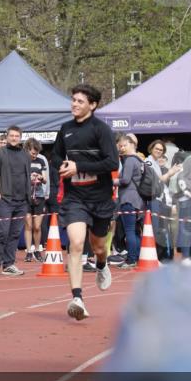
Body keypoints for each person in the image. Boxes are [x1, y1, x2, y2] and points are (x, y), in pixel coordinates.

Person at [53, 84, 119, 320]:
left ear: (92, 105)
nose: (74, 104)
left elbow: (112, 163)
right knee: (76, 243)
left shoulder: (101, 130)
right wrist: (62, 165)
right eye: (73, 100)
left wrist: (79, 167)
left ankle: (101, 264)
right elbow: (56, 156)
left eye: (80, 101)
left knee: (99, 247)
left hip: (100, 198)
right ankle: (77, 298)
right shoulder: (66, 129)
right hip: (75, 198)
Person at [0, 126, 31, 278]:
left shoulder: (25, 155)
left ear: (20, 137)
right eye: (11, 135)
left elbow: (26, 175)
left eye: (16, 136)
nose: (14, 138)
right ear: (7, 137)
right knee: (2, 232)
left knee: (14, 234)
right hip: (5, 200)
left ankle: (8, 264)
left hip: (22, 201)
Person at [146, 140, 182, 262]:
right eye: (157, 149)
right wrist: (170, 173)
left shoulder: (156, 163)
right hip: (152, 200)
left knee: (162, 230)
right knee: (155, 230)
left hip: (160, 201)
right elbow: (156, 181)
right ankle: (157, 258)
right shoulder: (149, 162)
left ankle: (163, 256)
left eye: (161, 150)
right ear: (151, 148)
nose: (159, 151)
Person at [117, 134, 144, 270]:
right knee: (135, 231)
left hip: (128, 199)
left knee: (129, 231)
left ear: (132, 144)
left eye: (124, 145)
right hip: (138, 200)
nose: (122, 148)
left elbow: (125, 180)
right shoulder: (139, 160)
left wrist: (113, 181)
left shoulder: (129, 161)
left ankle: (131, 259)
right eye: (120, 146)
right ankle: (136, 256)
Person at [24, 138, 49, 263]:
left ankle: (37, 250)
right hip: (26, 195)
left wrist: (40, 177)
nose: (35, 155)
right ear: (27, 150)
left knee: (37, 226)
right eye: (33, 153)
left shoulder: (41, 161)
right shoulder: (22, 161)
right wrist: (29, 177)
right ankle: (29, 251)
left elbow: (45, 179)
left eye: (36, 153)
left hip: (39, 195)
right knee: (28, 225)